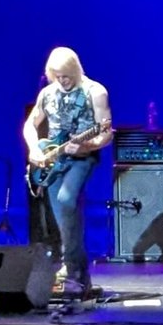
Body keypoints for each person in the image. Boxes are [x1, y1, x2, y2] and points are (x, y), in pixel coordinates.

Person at [23, 46, 113, 299]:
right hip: (54, 160)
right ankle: (78, 273)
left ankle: (73, 268)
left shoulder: (95, 92)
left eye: (67, 76)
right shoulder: (47, 93)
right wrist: (34, 149)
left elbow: (106, 132)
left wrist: (87, 145)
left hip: (82, 158)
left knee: (66, 199)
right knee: (62, 215)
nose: (63, 81)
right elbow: (31, 124)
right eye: (58, 76)